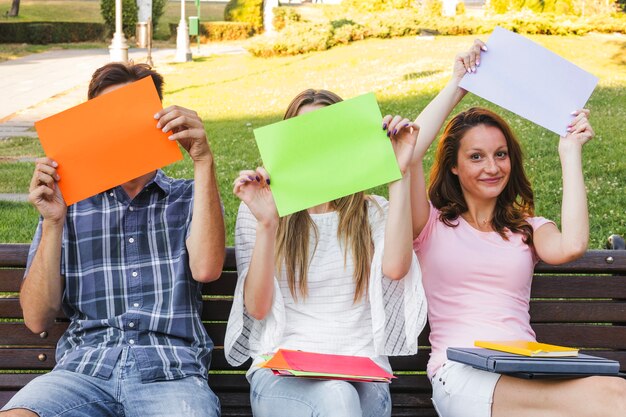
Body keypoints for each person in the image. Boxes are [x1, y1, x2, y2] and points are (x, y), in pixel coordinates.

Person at [409, 40, 626, 417]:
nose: (491, 167)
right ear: (454, 166)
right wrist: (457, 85)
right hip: (461, 375)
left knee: (614, 393)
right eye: (475, 156)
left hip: (526, 373)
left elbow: (572, 245)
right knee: (614, 398)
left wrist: (570, 151)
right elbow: (408, 151)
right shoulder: (428, 223)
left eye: (500, 154)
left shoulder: (526, 228)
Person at [1, 63, 225, 417]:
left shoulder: (188, 197)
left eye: (132, 112)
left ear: (160, 119)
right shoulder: (67, 206)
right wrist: (53, 222)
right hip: (83, 371)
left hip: (170, 374)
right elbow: (36, 319)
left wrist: (203, 160)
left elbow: (207, 269)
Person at [224, 89, 428, 417]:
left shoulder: (373, 211)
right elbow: (258, 309)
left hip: (363, 376)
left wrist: (397, 173)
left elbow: (396, 268)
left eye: (326, 133)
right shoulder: (261, 210)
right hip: (281, 376)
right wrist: (268, 224)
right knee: (337, 396)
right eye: (305, 135)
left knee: (341, 395)